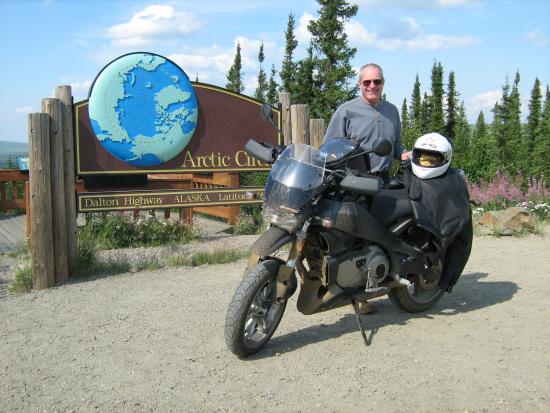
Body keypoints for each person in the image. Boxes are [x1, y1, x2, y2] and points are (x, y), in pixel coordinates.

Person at [323, 63, 410, 182]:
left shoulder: (392, 111)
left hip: (385, 180)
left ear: (383, 83)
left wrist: (402, 154)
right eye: (367, 82)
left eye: (377, 81)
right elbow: (329, 149)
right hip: (354, 181)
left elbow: (394, 144)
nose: (372, 86)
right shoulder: (346, 111)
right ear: (359, 84)